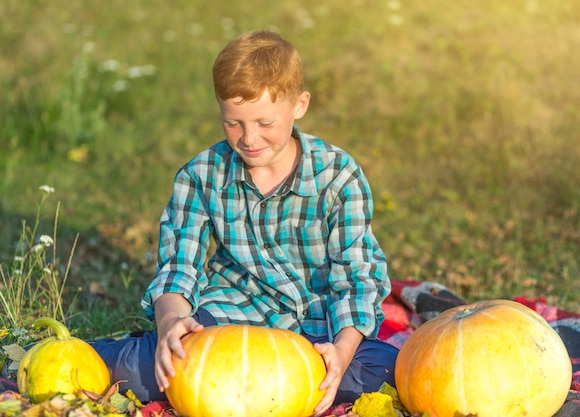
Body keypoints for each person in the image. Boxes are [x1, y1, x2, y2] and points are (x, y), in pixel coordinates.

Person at [92, 29, 398, 416]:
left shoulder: (338, 176)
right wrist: (171, 323)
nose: (249, 138)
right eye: (233, 123)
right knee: (148, 370)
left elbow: (359, 278)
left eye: (264, 122)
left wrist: (340, 351)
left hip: (317, 326)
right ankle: (95, 353)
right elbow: (177, 268)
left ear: (299, 105)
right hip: (232, 314)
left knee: (388, 372)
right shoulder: (202, 174)